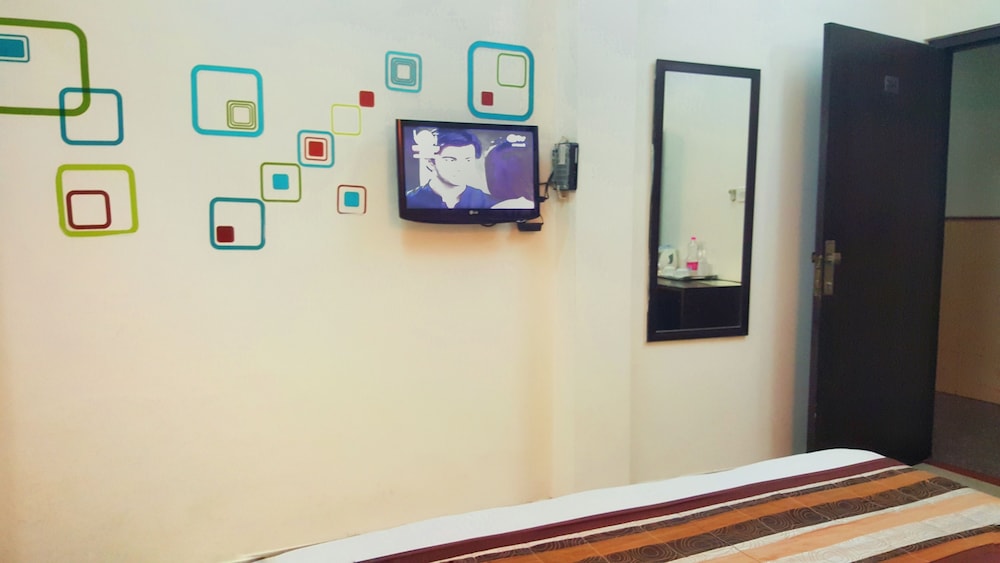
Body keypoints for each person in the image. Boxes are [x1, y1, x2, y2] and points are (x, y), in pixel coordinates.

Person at [405, 130, 497, 209]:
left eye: (468, 160)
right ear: (431, 162)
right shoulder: (410, 200)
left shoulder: (489, 203)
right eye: (451, 160)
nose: (461, 167)